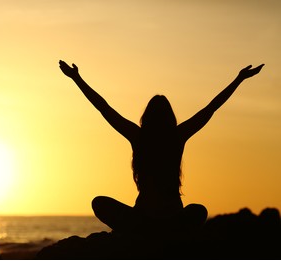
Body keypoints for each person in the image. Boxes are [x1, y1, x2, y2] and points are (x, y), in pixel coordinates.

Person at [59, 60, 264, 233]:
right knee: (199, 211)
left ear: (146, 117)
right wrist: (239, 79)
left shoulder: (139, 136)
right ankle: (165, 234)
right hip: (171, 220)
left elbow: (104, 108)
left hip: (142, 220)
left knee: (99, 202)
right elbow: (211, 108)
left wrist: (76, 78)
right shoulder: (177, 135)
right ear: (170, 117)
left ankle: (141, 234)